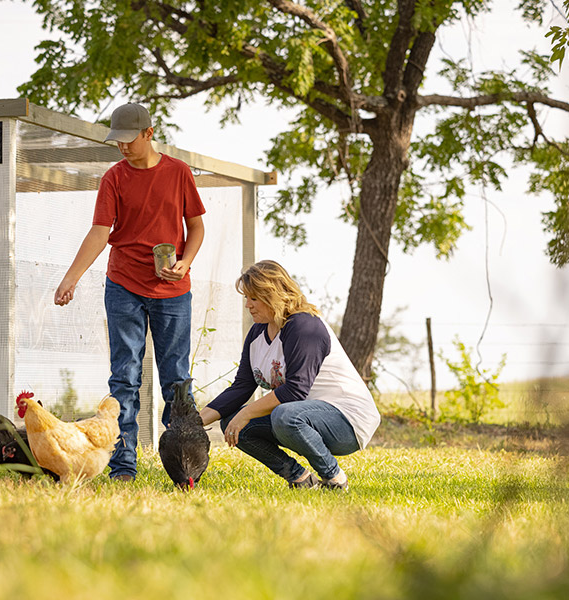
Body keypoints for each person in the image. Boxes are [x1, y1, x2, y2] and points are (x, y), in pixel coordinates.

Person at [54, 102, 205, 482]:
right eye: (116, 140)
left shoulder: (178, 173)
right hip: (124, 286)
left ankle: (182, 467)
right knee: (124, 377)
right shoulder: (114, 178)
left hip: (172, 291)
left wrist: (185, 262)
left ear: (148, 134)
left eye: (127, 139)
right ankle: (123, 468)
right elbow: (100, 232)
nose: (121, 147)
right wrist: (71, 278)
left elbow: (196, 227)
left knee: (176, 380)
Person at [198, 260, 380, 490]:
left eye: (253, 298)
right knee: (232, 423)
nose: (247, 305)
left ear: (273, 295)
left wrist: (247, 414)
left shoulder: (305, 326)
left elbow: (296, 390)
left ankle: (335, 479)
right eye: (246, 298)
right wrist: (195, 422)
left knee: (284, 415)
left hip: (348, 420)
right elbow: (242, 386)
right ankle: (301, 480)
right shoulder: (257, 333)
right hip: (305, 416)